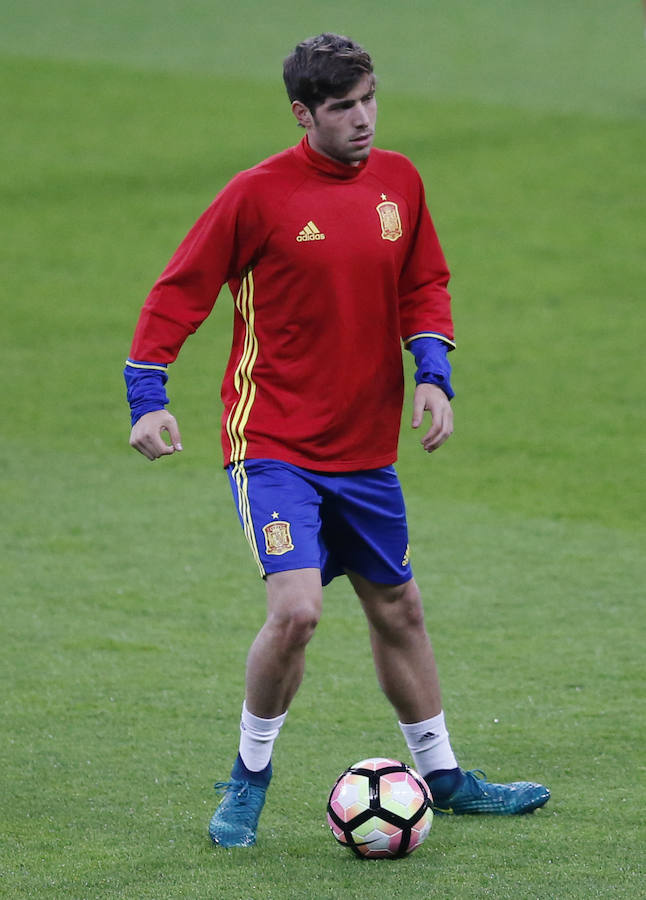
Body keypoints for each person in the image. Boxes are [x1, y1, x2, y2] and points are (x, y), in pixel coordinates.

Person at [124, 33, 550, 848]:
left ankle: (446, 776)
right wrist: (148, 397)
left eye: (369, 99)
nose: (362, 119)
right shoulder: (257, 195)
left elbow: (424, 281)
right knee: (298, 612)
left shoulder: (400, 181)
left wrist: (433, 371)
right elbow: (180, 291)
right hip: (274, 442)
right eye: (343, 107)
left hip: (365, 451)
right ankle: (248, 780)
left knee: (400, 607)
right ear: (303, 113)